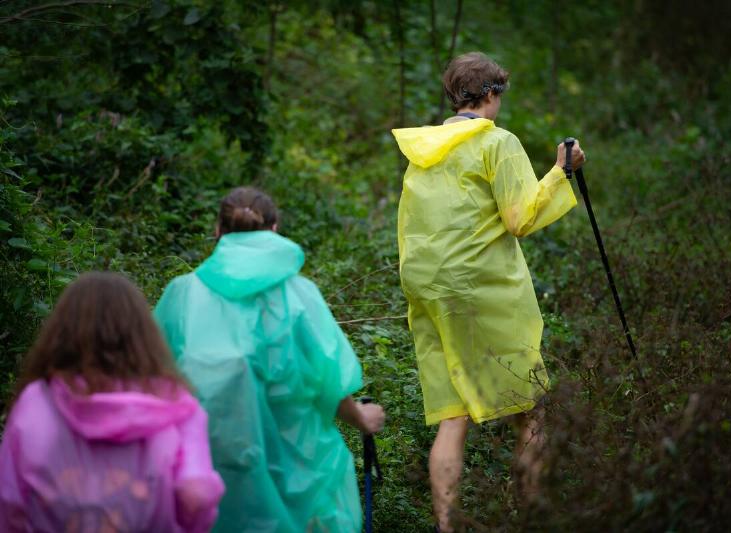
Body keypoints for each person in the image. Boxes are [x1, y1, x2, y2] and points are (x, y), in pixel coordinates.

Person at [392, 51, 586, 531]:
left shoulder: (424, 149)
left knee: (452, 416)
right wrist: (561, 171)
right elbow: (519, 218)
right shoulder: (496, 143)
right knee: (530, 411)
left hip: (429, 288)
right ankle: (534, 516)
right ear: (491, 94)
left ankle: (445, 525)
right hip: (480, 288)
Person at [154, 186, 385, 533]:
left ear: (217, 231)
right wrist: (362, 419)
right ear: (275, 230)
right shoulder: (300, 295)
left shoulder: (182, 294)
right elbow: (329, 383)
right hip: (299, 474)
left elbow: (152, 379)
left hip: (212, 469)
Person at [0, 272, 224, 532]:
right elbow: (196, 494)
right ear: (143, 334)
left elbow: (10, 501)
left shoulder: (36, 400)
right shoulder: (175, 404)